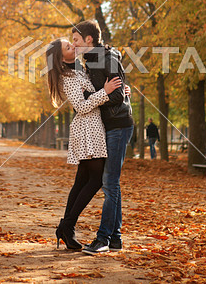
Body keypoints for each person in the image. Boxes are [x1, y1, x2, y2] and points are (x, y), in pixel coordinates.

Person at [46, 38, 122, 250]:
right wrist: (105, 92)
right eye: (68, 47)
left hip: (93, 126)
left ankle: (66, 229)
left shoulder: (79, 69)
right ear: (61, 59)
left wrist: (117, 93)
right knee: (96, 179)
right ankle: (67, 226)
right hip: (87, 129)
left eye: (72, 43)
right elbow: (80, 106)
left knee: (81, 180)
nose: (73, 46)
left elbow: (93, 91)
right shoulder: (67, 77)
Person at [72, 20, 134, 255]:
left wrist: (101, 93)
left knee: (109, 183)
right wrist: (98, 93)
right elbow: (109, 91)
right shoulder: (92, 61)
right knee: (111, 184)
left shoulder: (107, 58)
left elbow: (118, 94)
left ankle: (104, 238)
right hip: (109, 126)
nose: (74, 45)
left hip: (119, 125)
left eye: (76, 40)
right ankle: (115, 238)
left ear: (89, 40)